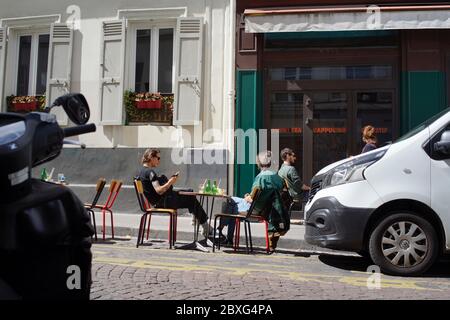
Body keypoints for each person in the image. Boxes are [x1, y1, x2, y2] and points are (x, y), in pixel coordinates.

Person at [219, 151, 290, 252]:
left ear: (259, 163)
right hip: (266, 209)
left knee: (229, 201)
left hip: (254, 209)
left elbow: (252, 198)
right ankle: (226, 237)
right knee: (231, 204)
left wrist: (247, 196)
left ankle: (220, 230)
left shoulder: (260, 177)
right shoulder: (277, 177)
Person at [138, 149, 211, 237]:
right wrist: (170, 182)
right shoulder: (150, 172)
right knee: (191, 199)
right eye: (158, 158)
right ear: (151, 157)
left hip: (159, 201)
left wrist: (170, 181)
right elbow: (159, 190)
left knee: (190, 192)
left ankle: (198, 219)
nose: (159, 160)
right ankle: (205, 226)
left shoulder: (142, 171)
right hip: (163, 202)